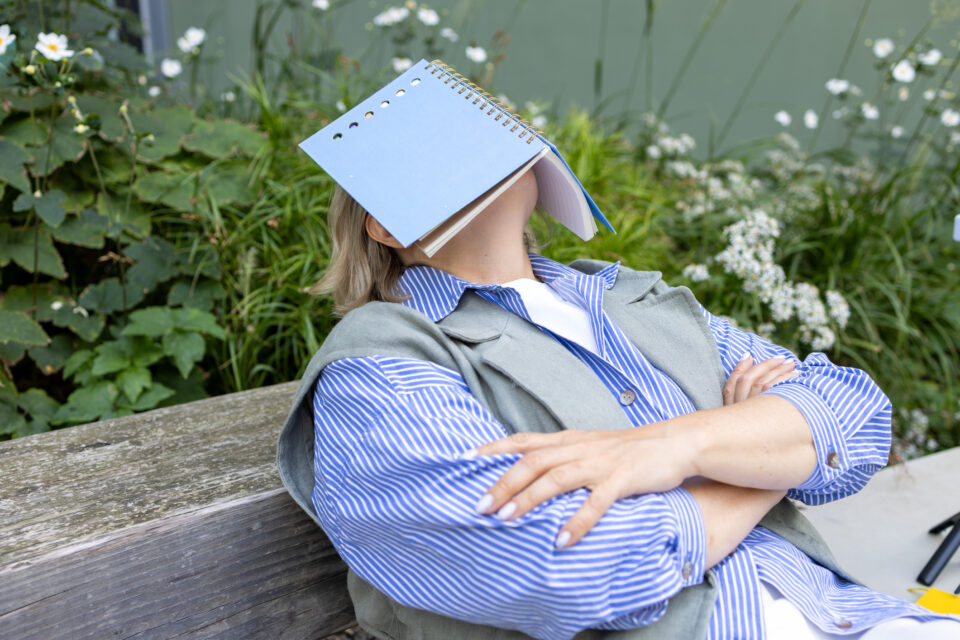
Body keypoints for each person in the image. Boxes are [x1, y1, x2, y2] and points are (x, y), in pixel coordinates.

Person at [276, 99, 960, 640]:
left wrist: (668, 449)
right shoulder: (382, 361)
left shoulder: (633, 300)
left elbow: (856, 419)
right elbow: (560, 565)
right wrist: (762, 465)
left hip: (854, 615)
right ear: (387, 228)